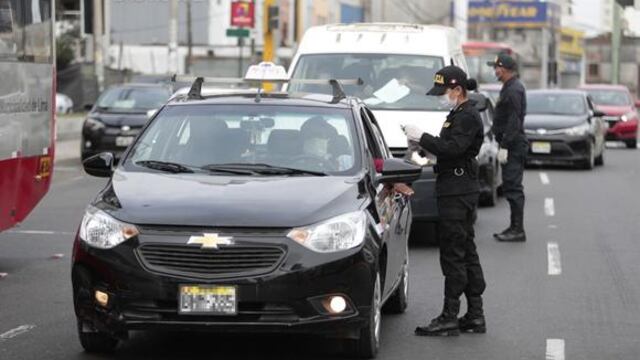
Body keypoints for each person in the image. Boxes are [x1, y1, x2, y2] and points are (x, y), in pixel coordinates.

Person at [403, 65, 486, 336]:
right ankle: (475, 314)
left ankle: (450, 316)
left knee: (453, 254)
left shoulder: (467, 116)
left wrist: (423, 137)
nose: (441, 96)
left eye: (444, 91)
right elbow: (452, 152)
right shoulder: (459, 113)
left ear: (457, 89)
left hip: (457, 192)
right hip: (456, 186)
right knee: (466, 251)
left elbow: (455, 148)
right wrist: (428, 151)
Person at [487, 53, 528, 242]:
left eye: (496, 67)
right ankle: (514, 226)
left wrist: (505, 145)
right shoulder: (510, 87)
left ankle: (518, 229)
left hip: (513, 144)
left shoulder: (513, 90)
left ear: (503, 69)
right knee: (511, 186)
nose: (495, 71)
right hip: (511, 143)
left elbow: (514, 120)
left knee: (513, 187)